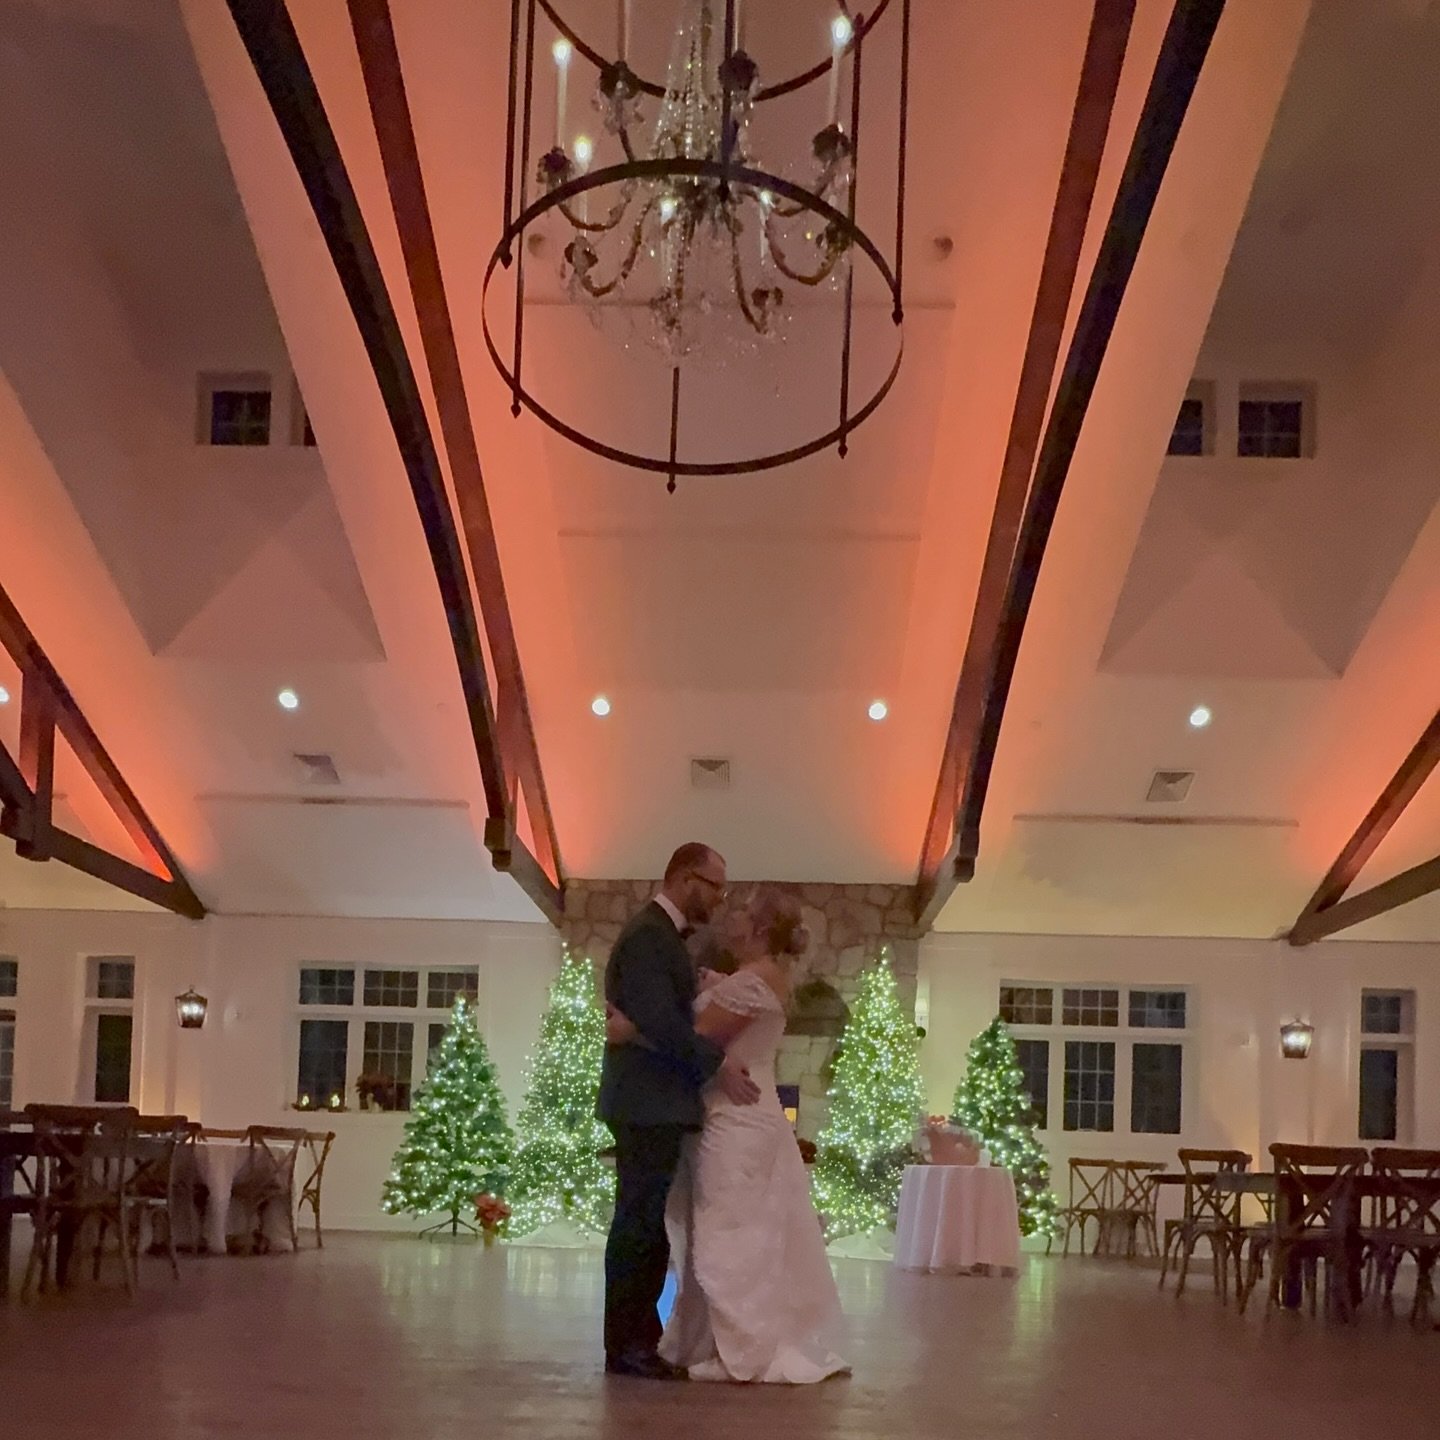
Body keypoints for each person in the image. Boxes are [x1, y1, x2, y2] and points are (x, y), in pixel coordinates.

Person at [608, 888, 849, 1384]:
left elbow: (694, 1036)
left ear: (759, 928)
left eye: (741, 910)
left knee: (727, 1233)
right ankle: (719, 1338)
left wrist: (632, 1029)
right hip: (735, 1113)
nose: (728, 913)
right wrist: (715, 984)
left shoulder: (754, 981)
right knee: (735, 1227)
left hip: (734, 1119)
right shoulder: (755, 978)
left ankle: (744, 1347)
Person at [597, 842, 761, 1381]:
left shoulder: (662, 938)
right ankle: (627, 1347)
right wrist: (717, 1065)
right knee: (639, 1226)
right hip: (646, 1103)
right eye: (716, 887)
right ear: (687, 879)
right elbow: (664, 1024)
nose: (719, 899)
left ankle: (639, 1340)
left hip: (655, 1101)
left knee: (646, 1225)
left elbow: (657, 1018)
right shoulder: (649, 936)